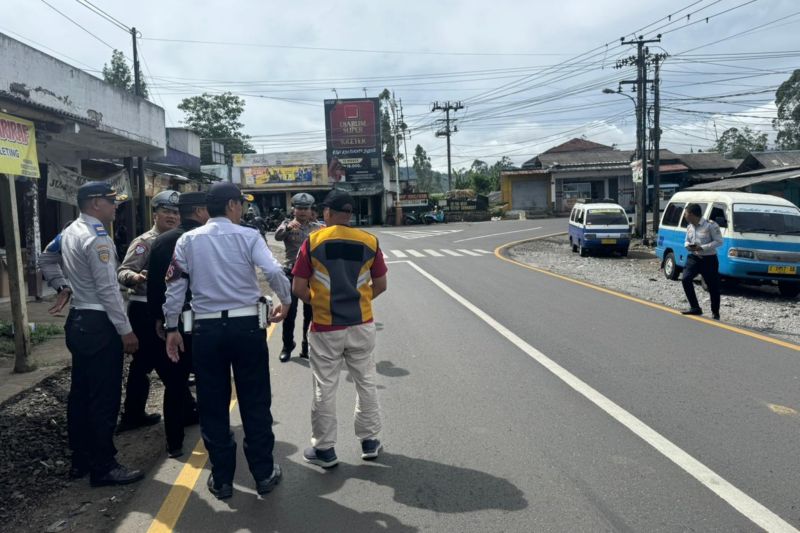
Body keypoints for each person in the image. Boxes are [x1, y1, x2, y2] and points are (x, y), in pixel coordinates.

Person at [163, 182, 292, 500]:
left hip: (206, 331)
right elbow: (274, 271)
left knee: (213, 404)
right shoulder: (248, 235)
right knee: (255, 401)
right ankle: (263, 473)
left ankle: (222, 480)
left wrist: (171, 326)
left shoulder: (187, 240)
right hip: (247, 328)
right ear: (233, 206)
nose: (244, 209)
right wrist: (284, 301)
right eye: (242, 204)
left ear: (208, 210)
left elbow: (175, 287)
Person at [46, 181, 143, 486]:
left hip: (78, 321)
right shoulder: (97, 239)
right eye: (112, 202)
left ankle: (81, 460)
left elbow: (45, 258)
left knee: (81, 395)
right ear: (95, 203)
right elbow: (108, 290)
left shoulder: (70, 231)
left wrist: (62, 286)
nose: (117, 207)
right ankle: (104, 466)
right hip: (100, 324)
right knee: (104, 397)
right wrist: (126, 330)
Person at [292, 189, 388, 469]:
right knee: (366, 382)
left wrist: (322, 303)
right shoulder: (369, 241)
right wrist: (358, 301)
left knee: (325, 387)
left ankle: (324, 450)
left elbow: (298, 288)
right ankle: (370, 442)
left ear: (327, 213)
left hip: (325, 327)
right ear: (350, 214)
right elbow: (380, 285)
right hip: (361, 324)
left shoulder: (313, 241)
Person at [145, 192, 210, 458]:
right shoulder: (205, 239)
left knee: (175, 382)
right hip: (205, 320)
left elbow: (155, 287)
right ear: (199, 211)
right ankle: (213, 438)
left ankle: (174, 444)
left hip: (175, 322)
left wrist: (160, 320)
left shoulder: (161, 241)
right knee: (207, 380)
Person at [116, 190, 181, 434]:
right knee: (161, 362)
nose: (172, 217)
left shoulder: (181, 239)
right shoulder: (145, 242)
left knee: (144, 364)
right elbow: (122, 272)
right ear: (155, 214)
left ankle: (133, 413)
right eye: (166, 212)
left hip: (168, 308)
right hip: (144, 308)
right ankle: (183, 409)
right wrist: (135, 277)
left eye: (175, 212)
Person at [274, 192, 324, 362]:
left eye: (306, 208)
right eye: (299, 208)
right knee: (289, 312)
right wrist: (288, 227)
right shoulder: (287, 225)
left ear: (311, 210)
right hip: (291, 273)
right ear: (294, 209)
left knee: (311, 313)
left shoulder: (318, 227)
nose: (303, 212)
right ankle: (287, 346)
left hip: (312, 276)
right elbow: (277, 236)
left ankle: (306, 345)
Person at [681, 203, 723, 320]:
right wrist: (688, 246)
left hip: (708, 259)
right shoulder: (689, 227)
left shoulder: (711, 225)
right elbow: (686, 240)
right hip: (694, 257)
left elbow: (719, 241)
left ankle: (715, 313)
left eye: (685, 214)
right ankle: (695, 307)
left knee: (712, 287)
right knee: (685, 279)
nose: (684, 216)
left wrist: (703, 247)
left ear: (692, 214)